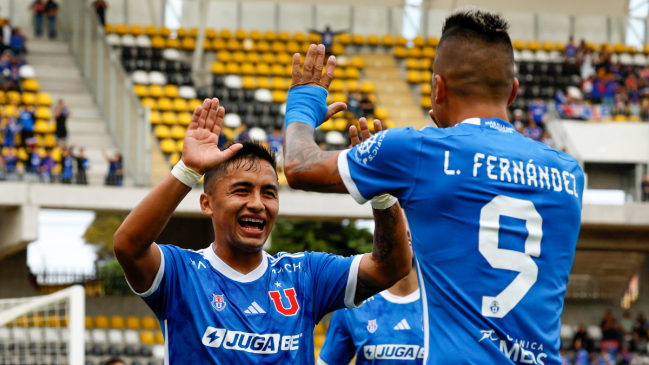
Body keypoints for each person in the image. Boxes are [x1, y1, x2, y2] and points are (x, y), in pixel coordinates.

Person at [282, 8, 583, 365]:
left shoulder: (420, 152)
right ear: (513, 91)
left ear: (438, 88)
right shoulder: (568, 173)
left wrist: (302, 105)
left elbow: (299, 167)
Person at [113, 98, 411, 364]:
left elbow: (392, 266)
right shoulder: (183, 273)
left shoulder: (306, 275)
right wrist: (187, 169)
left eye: (269, 193)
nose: (257, 204)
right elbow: (129, 246)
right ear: (207, 204)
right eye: (242, 190)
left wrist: (381, 195)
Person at [318, 122, 423, 365]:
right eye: (398, 216)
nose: (406, 228)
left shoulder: (446, 302)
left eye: (411, 215)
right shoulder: (353, 304)